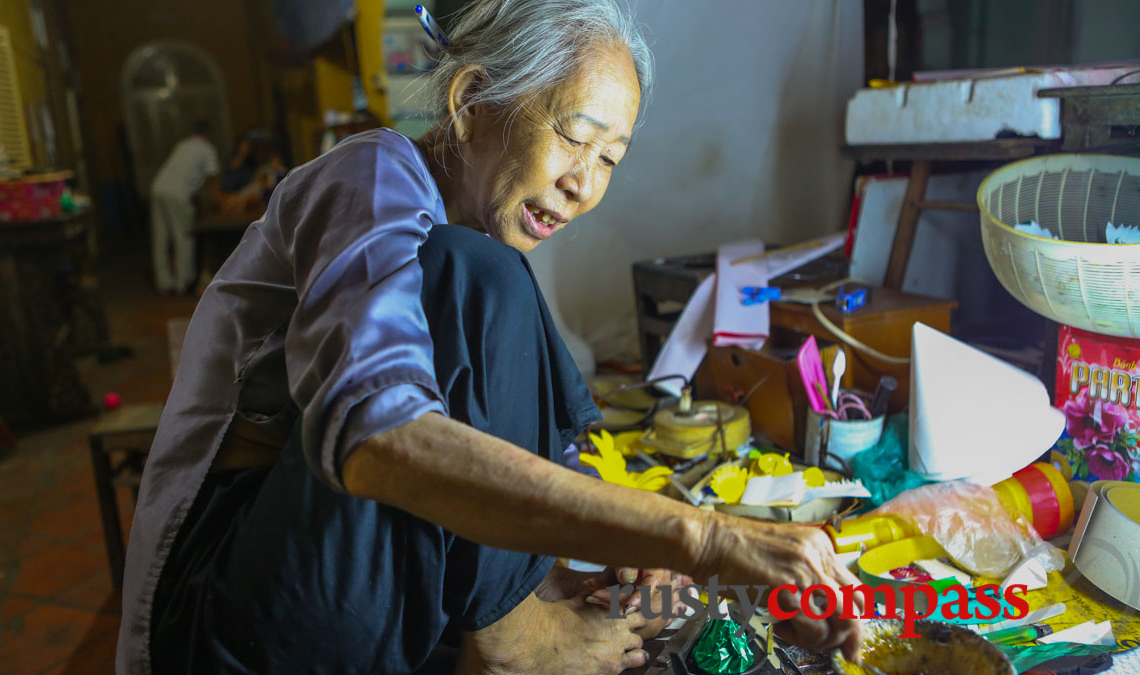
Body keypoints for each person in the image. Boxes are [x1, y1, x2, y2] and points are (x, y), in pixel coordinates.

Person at [119, 1, 864, 673]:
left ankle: (508, 620)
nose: (585, 183)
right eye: (575, 137)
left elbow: (513, 457)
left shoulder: (477, 255)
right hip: (219, 612)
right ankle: (509, 642)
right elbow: (376, 436)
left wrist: (606, 552)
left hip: (323, 578)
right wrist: (700, 539)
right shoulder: (371, 176)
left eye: (610, 159)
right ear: (471, 98)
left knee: (489, 278)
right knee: (480, 274)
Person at [148, 120, 241, 295]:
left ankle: (163, 283)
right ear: (209, 135)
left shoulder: (183, 145)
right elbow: (212, 182)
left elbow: (188, 176)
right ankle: (182, 284)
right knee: (183, 236)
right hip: (178, 194)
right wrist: (223, 204)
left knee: (161, 237)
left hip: (158, 189)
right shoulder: (207, 149)